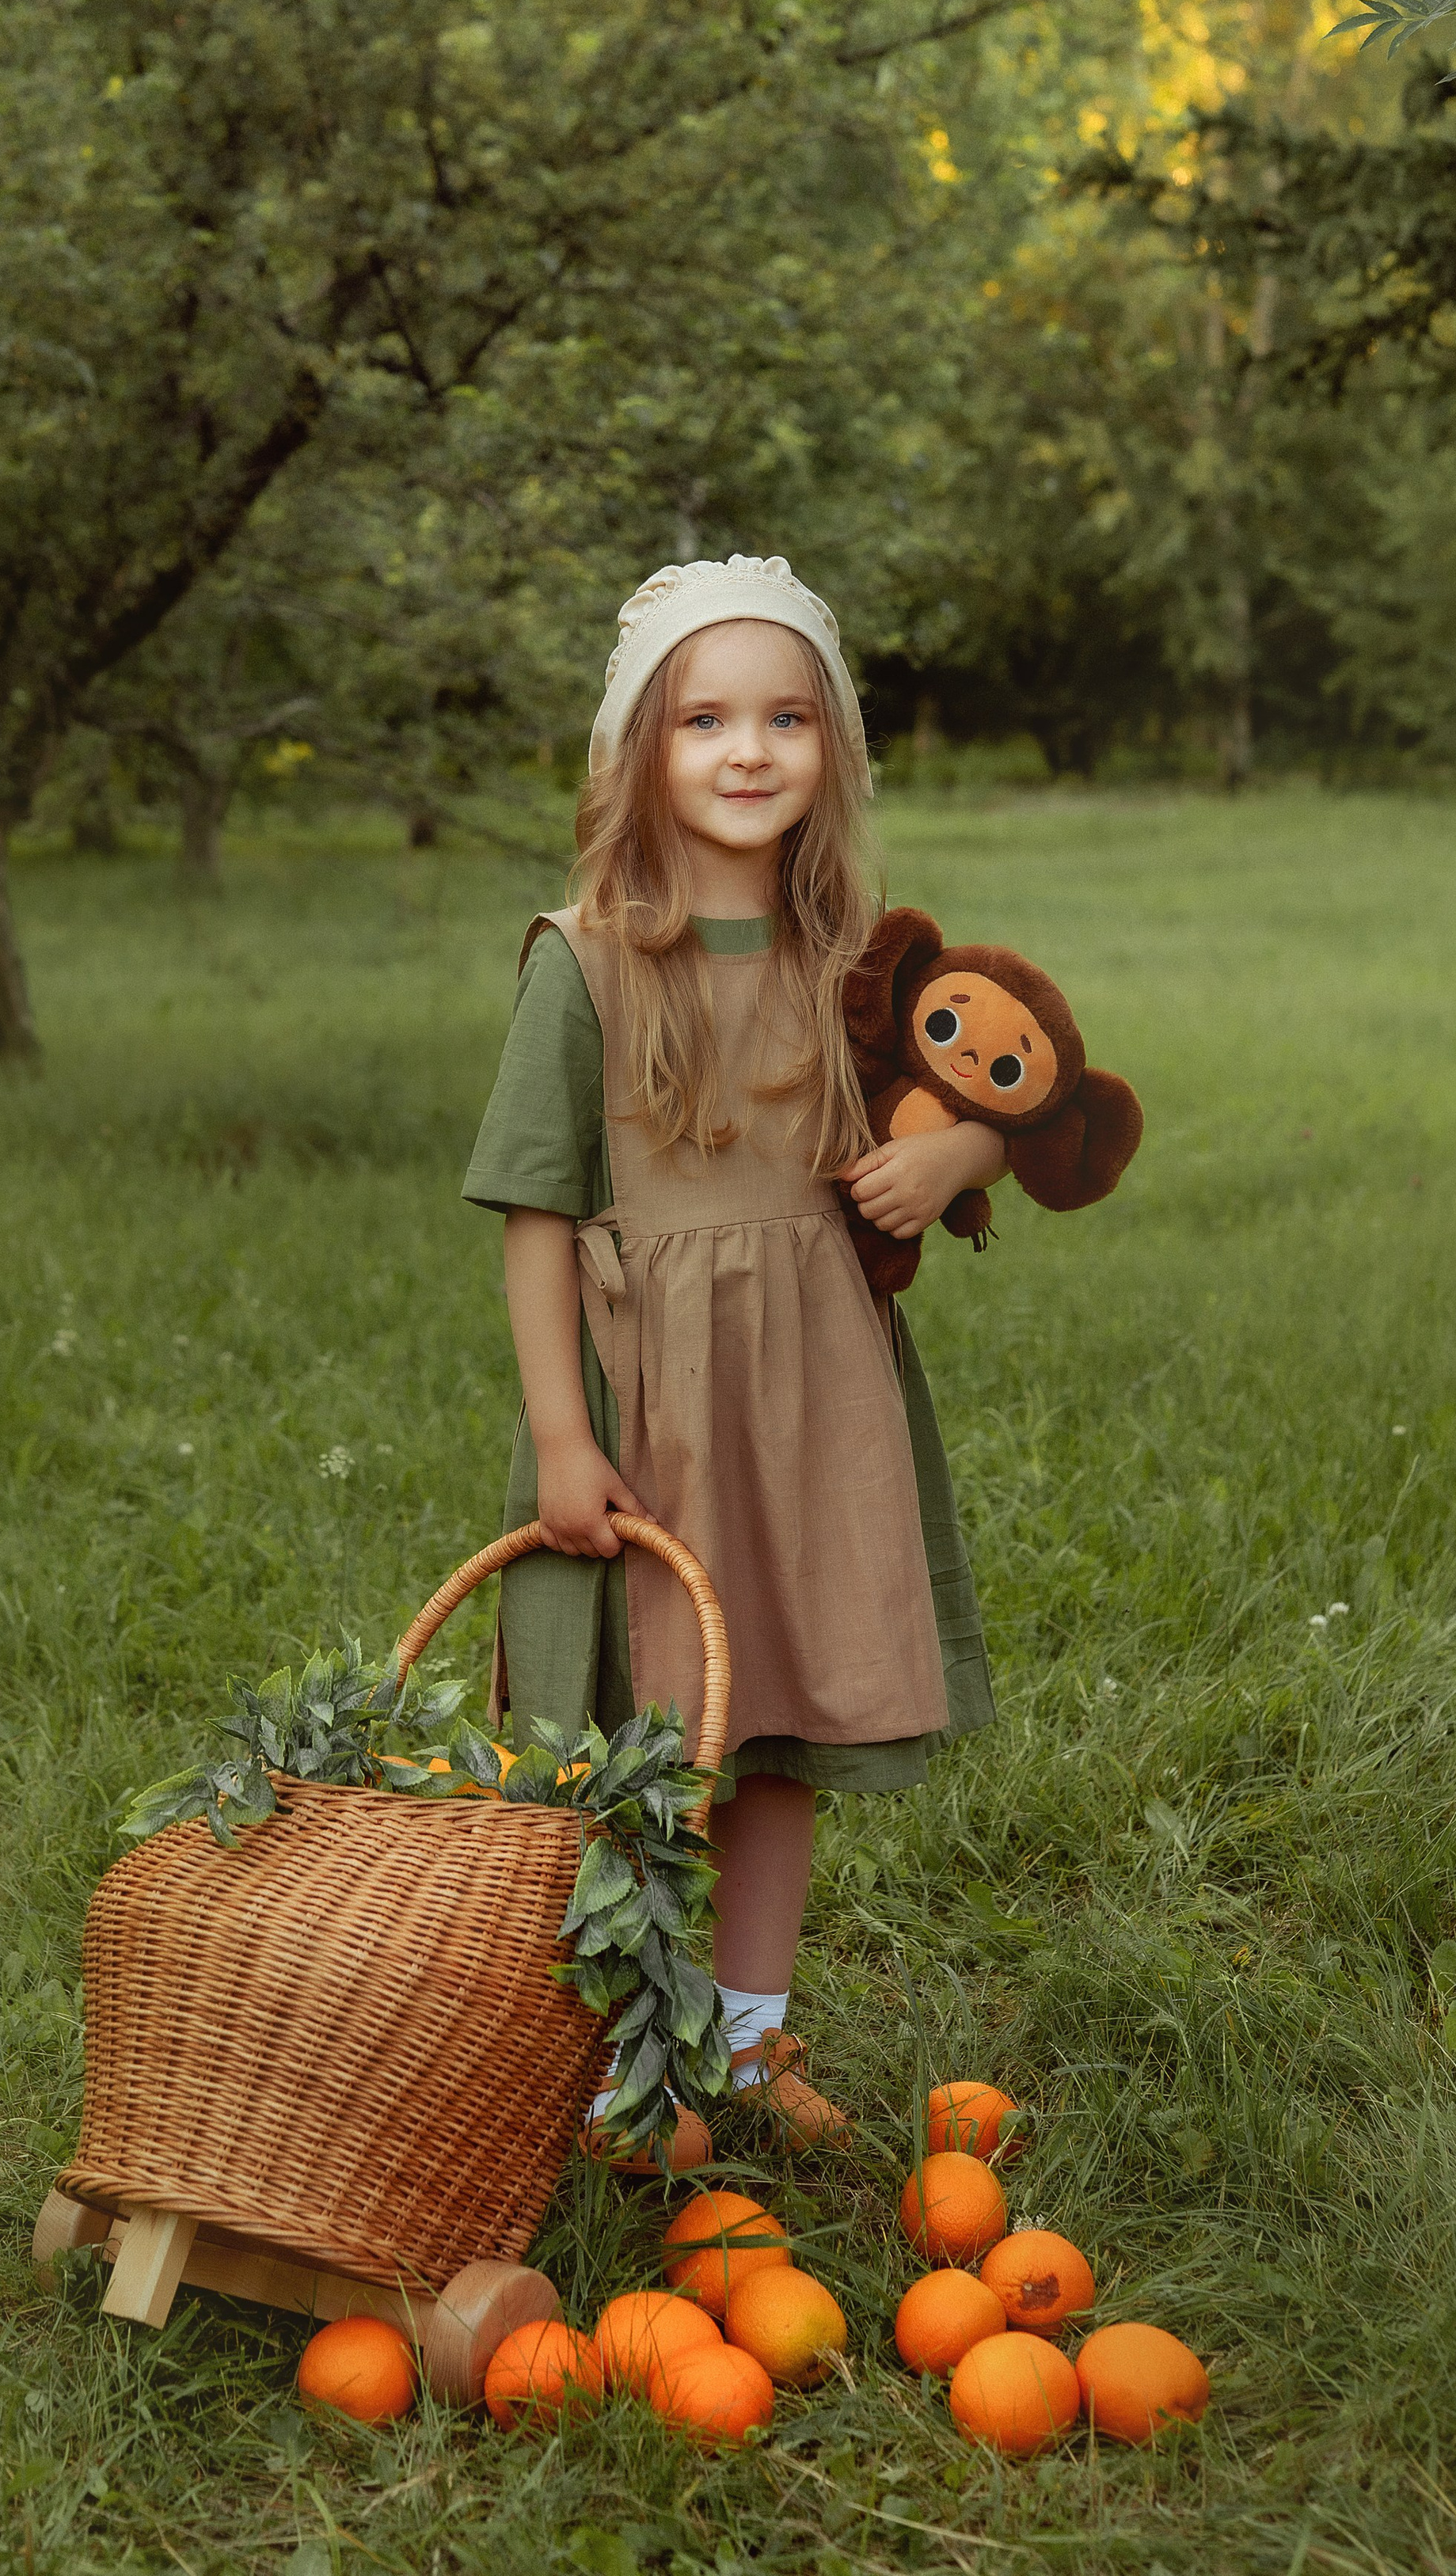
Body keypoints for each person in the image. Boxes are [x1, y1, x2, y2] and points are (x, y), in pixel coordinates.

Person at [462, 555, 1000, 2163]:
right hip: (656, 1410)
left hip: (813, 1406)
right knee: (648, 1751)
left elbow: (994, 1106)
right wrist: (564, 1439)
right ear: (638, 748)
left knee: (774, 1738)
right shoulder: (585, 959)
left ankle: (749, 2048)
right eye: (703, 718)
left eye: (784, 717)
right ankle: (631, 2060)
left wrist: (953, 1163)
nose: (746, 750)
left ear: (830, 745)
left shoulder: (865, 963)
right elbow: (537, 1219)